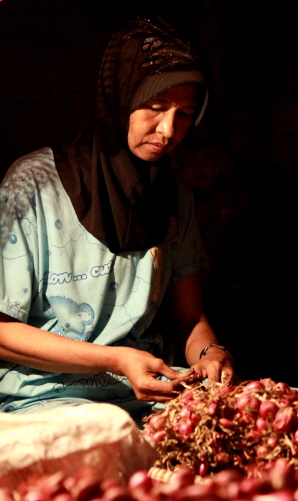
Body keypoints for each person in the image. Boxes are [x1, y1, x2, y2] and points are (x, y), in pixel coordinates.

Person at [0, 16, 234, 422]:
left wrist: (211, 354)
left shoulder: (176, 197)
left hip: (151, 395)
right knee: (110, 433)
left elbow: (189, 319)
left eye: (185, 114)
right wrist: (115, 360)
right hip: (47, 398)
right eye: (155, 107)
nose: (168, 130)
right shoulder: (33, 184)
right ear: (120, 97)